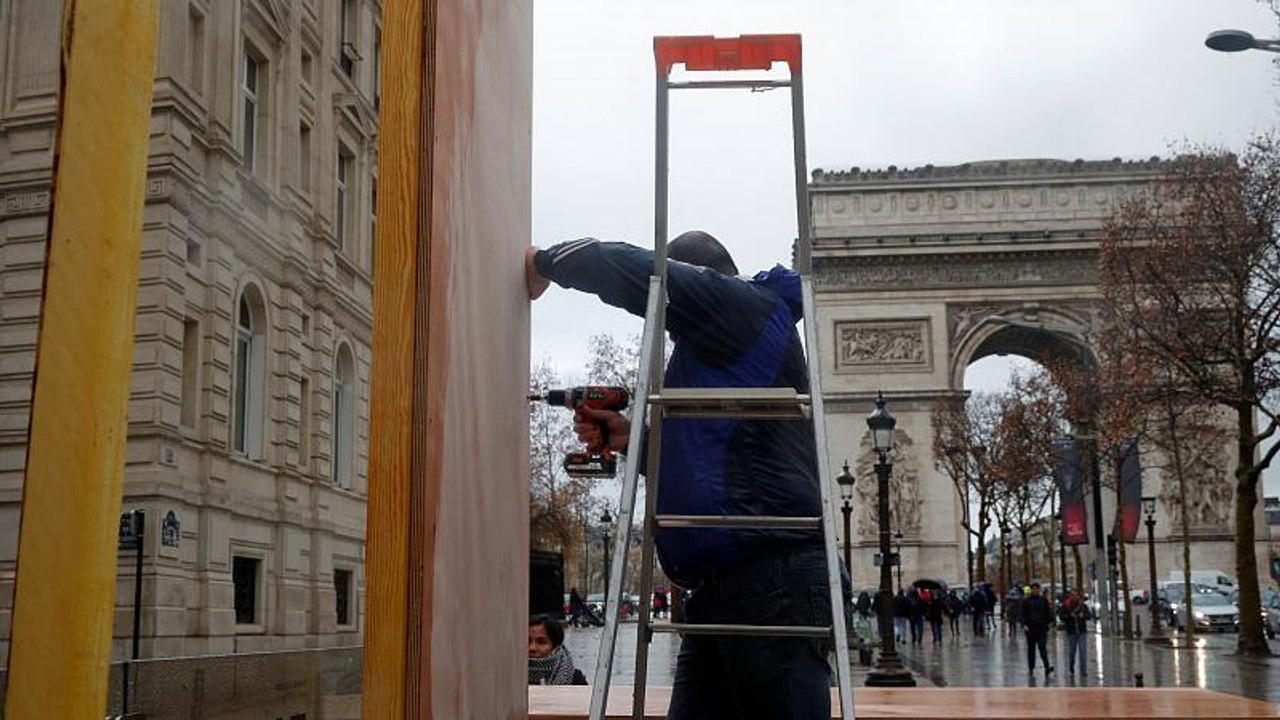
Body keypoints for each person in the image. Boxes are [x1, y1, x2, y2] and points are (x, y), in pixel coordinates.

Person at [526, 233, 839, 719]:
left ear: (698, 280)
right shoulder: (724, 347)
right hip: (730, 583)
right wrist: (634, 441)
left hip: (769, 576)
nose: (670, 330)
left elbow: (638, 272)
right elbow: (720, 455)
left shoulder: (736, 306)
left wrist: (547, 262)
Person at [528, 616, 588, 686]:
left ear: (555, 647)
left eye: (541, 642)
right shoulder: (516, 677)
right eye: (527, 641)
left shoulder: (574, 680)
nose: (532, 648)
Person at [1021, 582, 1055, 676]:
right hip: (1030, 628)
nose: (1035, 590)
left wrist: (1049, 622)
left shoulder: (1043, 600)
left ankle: (1047, 667)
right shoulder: (1026, 601)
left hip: (1041, 628)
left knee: (1042, 647)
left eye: (1037, 589)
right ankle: (1031, 667)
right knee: (1031, 649)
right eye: (1034, 589)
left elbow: (1048, 612)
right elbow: (1023, 614)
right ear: (1031, 590)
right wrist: (1024, 624)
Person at [1058, 588, 1093, 676]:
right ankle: (1071, 668)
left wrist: (1083, 616)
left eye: (1076, 595)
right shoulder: (1066, 605)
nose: (1074, 597)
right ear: (1069, 596)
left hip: (1082, 631)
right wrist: (1069, 616)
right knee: (1072, 652)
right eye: (1072, 595)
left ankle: (1083, 670)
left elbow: (1089, 616)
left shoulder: (1083, 606)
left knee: (1083, 651)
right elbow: (1061, 616)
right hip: (1071, 632)